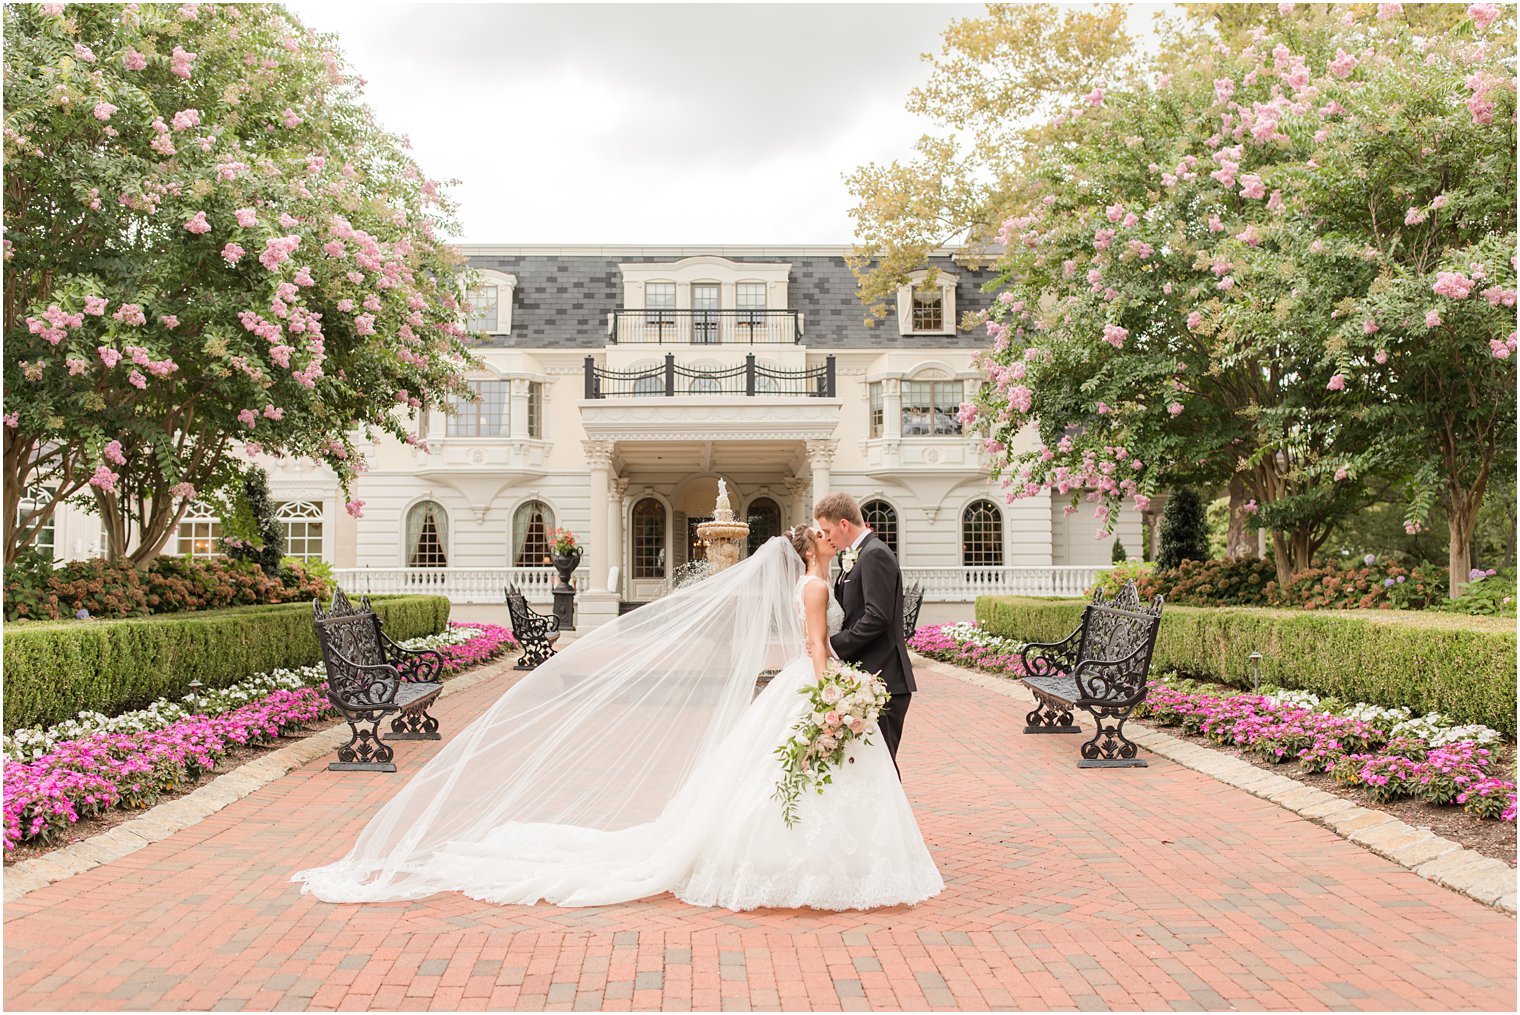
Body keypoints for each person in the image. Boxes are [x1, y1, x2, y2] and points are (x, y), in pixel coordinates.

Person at [293, 532, 942, 911]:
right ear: (812, 549)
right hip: (815, 680)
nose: (831, 538)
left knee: (779, 771)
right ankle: (807, 859)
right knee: (782, 773)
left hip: (812, 686)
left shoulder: (820, 579)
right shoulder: (813, 586)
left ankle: (812, 856)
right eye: (825, 536)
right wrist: (840, 684)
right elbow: (814, 648)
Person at [812, 493, 915, 775]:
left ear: (844, 524)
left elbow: (877, 617)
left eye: (828, 530)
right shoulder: (857, 556)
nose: (827, 537)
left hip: (886, 680)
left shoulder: (875, 554)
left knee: (881, 769)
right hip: (868, 678)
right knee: (869, 770)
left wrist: (832, 646)